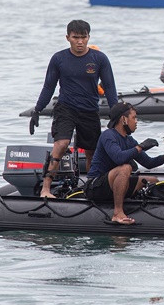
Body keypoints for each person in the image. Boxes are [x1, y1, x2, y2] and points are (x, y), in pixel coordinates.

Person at [30, 20, 117, 198]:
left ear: (88, 38)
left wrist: (116, 113)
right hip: (66, 109)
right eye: (75, 37)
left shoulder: (99, 59)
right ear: (68, 37)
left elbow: (109, 87)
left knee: (93, 152)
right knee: (61, 144)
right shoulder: (59, 59)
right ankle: (45, 188)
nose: (79, 41)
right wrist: (37, 110)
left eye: (83, 37)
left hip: (90, 110)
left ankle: (92, 188)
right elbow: (48, 87)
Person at [85, 103, 164, 225]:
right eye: (134, 118)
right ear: (123, 119)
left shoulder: (129, 140)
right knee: (125, 168)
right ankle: (117, 213)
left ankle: (135, 206)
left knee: (153, 180)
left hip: (113, 184)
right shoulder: (108, 135)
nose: (136, 121)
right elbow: (119, 158)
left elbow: (149, 163)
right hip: (96, 186)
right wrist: (140, 147)